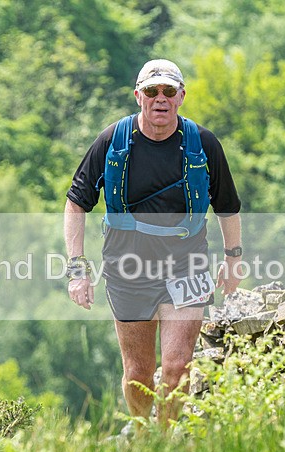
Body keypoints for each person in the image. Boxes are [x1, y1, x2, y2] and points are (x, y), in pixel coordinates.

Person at [64, 59, 242, 427]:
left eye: (168, 91)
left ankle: (166, 445)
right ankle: (144, 440)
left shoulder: (203, 144)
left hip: (187, 264)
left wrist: (233, 258)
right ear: (138, 97)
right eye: (151, 91)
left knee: (177, 368)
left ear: (181, 97)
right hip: (127, 267)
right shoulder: (112, 140)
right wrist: (77, 268)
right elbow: (76, 203)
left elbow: (228, 207)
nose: (160, 98)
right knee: (139, 374)